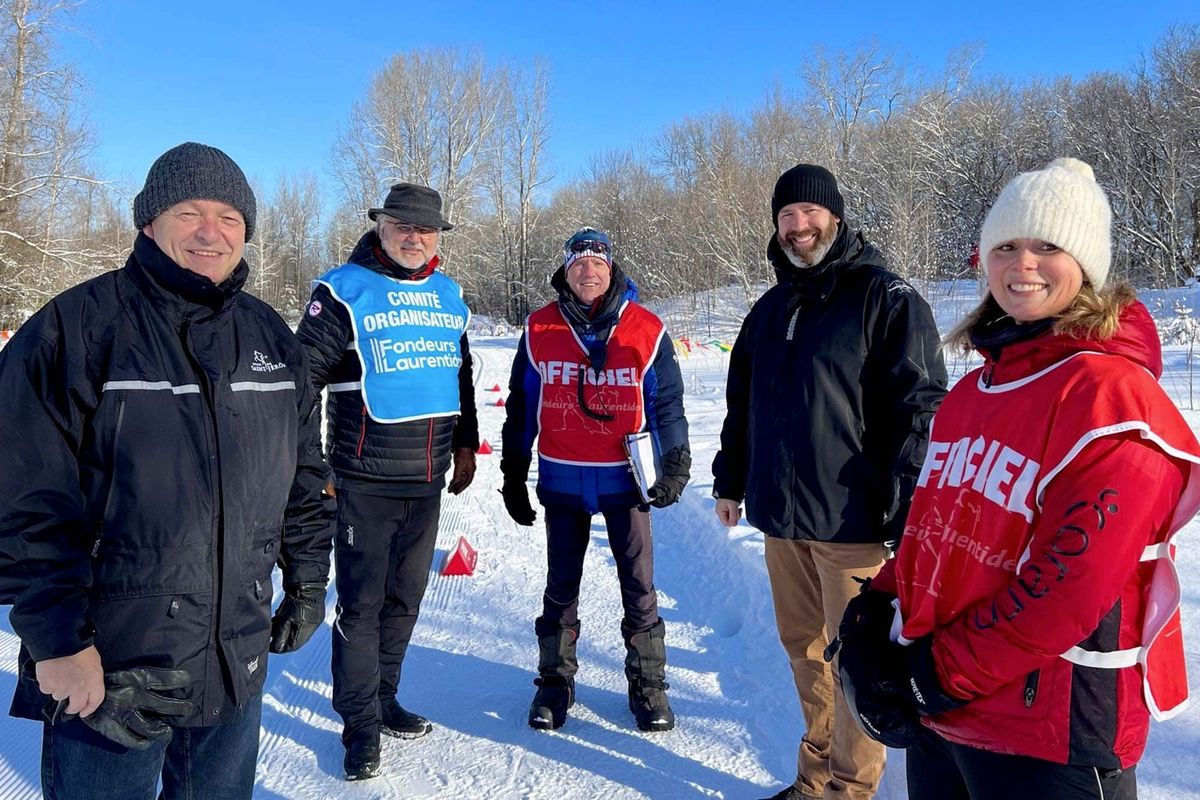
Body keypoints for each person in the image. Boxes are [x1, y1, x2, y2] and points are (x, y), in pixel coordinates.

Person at [836, 157, 1200, 800]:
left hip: (1049, 734)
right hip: (946, 720)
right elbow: (934, 531)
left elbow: (1066, 592)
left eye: (1048, 246)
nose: (1022, 264)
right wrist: (875, 609)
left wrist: (931, 676)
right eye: (1006, 245)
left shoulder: (1112, 402)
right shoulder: (974, 390)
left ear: (1086, 266)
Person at [0, 142, 335, 799]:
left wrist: (308, 579)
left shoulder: (271, 341)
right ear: (148, 220)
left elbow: (303, 474)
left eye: (230, 218)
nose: (210, 232)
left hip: (233, 655)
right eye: (189, 212)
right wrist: (58, 643)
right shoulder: (75, 332)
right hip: (111, 669)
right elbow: (22, 500)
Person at [712, 164, 947, 800]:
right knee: (804, 651)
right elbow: (744, 407)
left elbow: (921, 407)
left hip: (854, 524)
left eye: (809, 214)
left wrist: (907, 506)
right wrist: (729, 481)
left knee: (857, 662)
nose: (798, 227)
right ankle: (814, 776)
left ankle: (851, 788)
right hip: (781, 519)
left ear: (835, 218)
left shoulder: (884, 298)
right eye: (786, 217)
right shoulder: (768, 310)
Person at [296, 182, 479, 781]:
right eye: (402, 224)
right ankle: (358, 724)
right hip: (362, 482)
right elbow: (301, 383)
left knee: (406, 601)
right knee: (362, 606)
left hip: (426, 482)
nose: (413, 236)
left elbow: (462, 375)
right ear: (380, 225)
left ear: (436, 237)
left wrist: (464, 443)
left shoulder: (449, 295)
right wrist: (311, 464)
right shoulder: (343, 290)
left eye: (424, 229)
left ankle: (383, 698)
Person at [500, 227, 690, 733]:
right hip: (564, 479)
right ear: (566, 271)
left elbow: (667, 402)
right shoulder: (539, 327)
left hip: (624, 481)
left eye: (598, 262)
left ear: (611, 270)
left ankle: (648, 685)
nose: (589, 270)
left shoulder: (645, 328)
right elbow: (522, 404)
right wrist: (513, 471)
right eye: (579, 262)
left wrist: (677, 460)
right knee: (560, 586)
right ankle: (554, 682)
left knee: (640, 586)